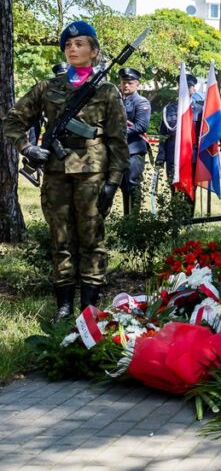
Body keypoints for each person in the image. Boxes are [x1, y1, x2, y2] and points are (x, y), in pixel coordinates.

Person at [4, 21, 129, 320]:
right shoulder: (48, 88)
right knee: (61, 239)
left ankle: (89, 306)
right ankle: (63, 306)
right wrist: (27, 148)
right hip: (56, 174)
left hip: (92, 175)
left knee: (91, 239)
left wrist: (113, 182)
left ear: (94, 51)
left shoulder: (107, 91)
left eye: (80, 44)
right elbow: (12, 120)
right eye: (68, 45)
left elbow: (117, 140)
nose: (72, 49)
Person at [118, 67, 151, 214]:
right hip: (119, 150)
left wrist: (118, 134)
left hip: (134, 149)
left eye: (130, 82)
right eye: (124, 82)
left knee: (132, 184)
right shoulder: (117, 101)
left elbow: (141, 126)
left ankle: (135, 218)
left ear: (137, 84)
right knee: (123, 185)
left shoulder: (141, 102)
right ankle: (127, 218)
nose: (126, 85)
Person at [156, 73, 199, 184]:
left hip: (192, 156)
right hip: (172, 154)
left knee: (190, 193)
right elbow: (163, 134)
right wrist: (161, 156)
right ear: (178, 89)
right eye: (182, 86)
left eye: (188, 86)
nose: (185, 89)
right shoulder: (169, 109)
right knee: (173, 188)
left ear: (194, 89)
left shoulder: (200, 110)